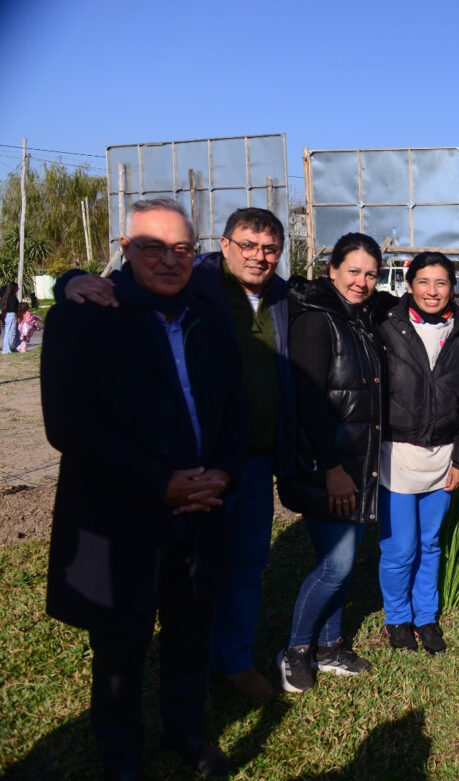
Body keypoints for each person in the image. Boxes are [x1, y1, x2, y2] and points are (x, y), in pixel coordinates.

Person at [41, 198, 245, 778]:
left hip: (201, 509)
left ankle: (186, 733)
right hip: (120, 516)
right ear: (125, 251)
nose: (168, 259)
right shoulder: (84, 315)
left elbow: (233, 405)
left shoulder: (206, 308)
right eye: (151, 247)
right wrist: (161, 485)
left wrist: (223, 474)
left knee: (188, 635)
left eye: (181, 248)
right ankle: (121, 754)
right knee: (120, 649)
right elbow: (70, 427)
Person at [59, 207, 298, 702]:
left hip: (248, 464)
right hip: (184, 465)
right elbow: (133, 280)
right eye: (248, 246)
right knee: (185, 578)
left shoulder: (286, 295)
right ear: (223, 245)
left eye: (270, 248)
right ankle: (189, 666)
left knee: (246, 566)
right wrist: (71, 280)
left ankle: (231, 661)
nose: (259, 257)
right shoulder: (199, 285)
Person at [276, 232, 386, 693]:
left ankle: (329, 645)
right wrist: (332, 469)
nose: (361, 281)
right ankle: (296, 650)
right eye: (353, 271)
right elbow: (309, 400)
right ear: (332, 271)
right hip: (330, 467)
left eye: (371, 274)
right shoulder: (317, 322)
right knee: (337, 564)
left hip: (356, 464)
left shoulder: (358, 318)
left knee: (339, 558)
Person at [375, 252, 459, 654]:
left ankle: (425, 617)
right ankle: (397, 619)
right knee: (399, 548)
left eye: (441, 283)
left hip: (444, 459)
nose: (432, 291)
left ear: (453, 288)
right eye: (423, 282)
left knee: (430, 544)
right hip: (397, 456)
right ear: (410, 285)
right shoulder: (387, 327)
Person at [1, 280, 18, 354]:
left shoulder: (8, 296)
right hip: (11, 315)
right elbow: (13, 307)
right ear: (14, 288)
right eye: (17, 287)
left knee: (10, 332)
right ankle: (6, 349)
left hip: (9, 315)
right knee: (9, 332)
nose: (18, 289)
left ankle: (9, 348)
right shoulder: (11, 297)